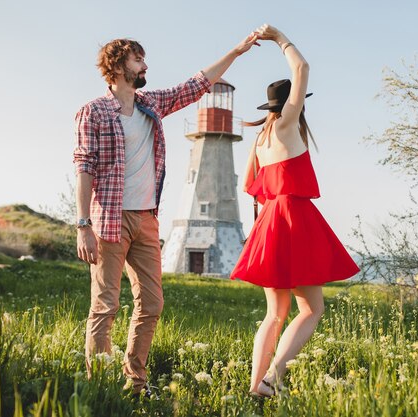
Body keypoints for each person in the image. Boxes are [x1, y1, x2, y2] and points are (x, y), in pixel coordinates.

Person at [73, 33, 259, 396]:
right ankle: (100, 388)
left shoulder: (151, 105)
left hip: (146, 220)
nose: (145, 66)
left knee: (152, 304)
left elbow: (196, 85)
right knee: (105, 306)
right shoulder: (93, 112)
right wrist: (83, 224)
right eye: (138, 60)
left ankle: (135, 382)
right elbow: (84, 167)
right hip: (109, 219)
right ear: (118, 66)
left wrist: (236, 50)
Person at [230, 24, 360, 397]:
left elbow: (249, 187)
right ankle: (273, 377)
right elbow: (301, 69)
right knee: (311, 309)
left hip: (270, 221)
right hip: (293, 219)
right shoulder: (287, 125)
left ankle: (256, 386)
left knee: (274, 314)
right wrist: (279, 37)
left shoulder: (261, 138)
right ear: (290, 105)